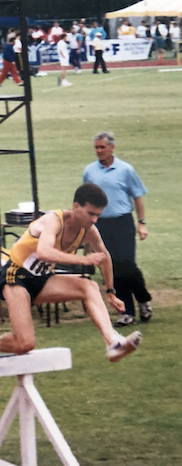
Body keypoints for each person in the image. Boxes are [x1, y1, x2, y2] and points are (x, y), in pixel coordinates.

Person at [0, 183, 142, 370]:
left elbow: (105, 256)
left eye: (98, 215)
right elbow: (44, 252)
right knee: (24, 344)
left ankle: (112, 342)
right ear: (76, 207)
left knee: (89, 287)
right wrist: (83, 260)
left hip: (42, 278)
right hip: (16, 277)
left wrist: (110, 291)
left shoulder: (89, 230)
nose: (94, 220)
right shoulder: (53, 220)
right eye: (91, 213)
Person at [82, 132, 152, 327]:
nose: (99, 151)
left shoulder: (125, 170)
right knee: (111, 266)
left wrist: (141, 222)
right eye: (96, 148)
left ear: (112, 148)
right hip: (101, 224)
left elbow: (137, 196)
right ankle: (127, 310)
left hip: (122, 222)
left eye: (102, 147)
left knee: (127, 263)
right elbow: (85, 200)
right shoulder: (89, 172)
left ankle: (143, 299)